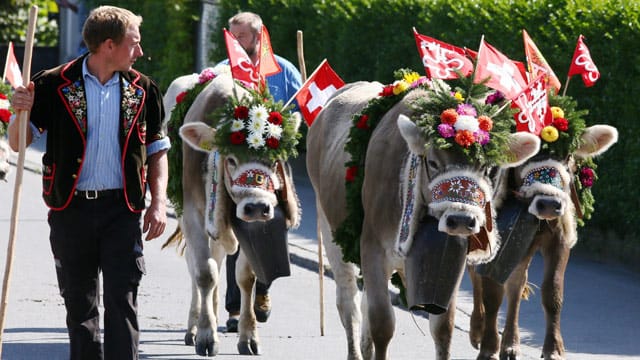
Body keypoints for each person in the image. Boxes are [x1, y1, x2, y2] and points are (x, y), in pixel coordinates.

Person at [8, 6, 169, 360]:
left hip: (121, 210)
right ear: (108, 45)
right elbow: (19, 143)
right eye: (134, 43)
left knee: (122, 301)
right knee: (79, 308)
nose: (140, 52)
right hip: (71, 210)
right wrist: (19, 109)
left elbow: (157, 151)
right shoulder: (53, 84)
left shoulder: (143, 90)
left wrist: (158, 203)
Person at [221, 11, 302, 333]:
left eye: (241, 37)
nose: (236, 43)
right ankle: (232, 307)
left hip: (273, 165)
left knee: (272, 227)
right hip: (235, 165)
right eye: (232, 36)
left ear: (258, 36)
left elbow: (300, 108)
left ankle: (263, 292)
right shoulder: (222, 70)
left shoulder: (283, 70)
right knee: (235, 232)